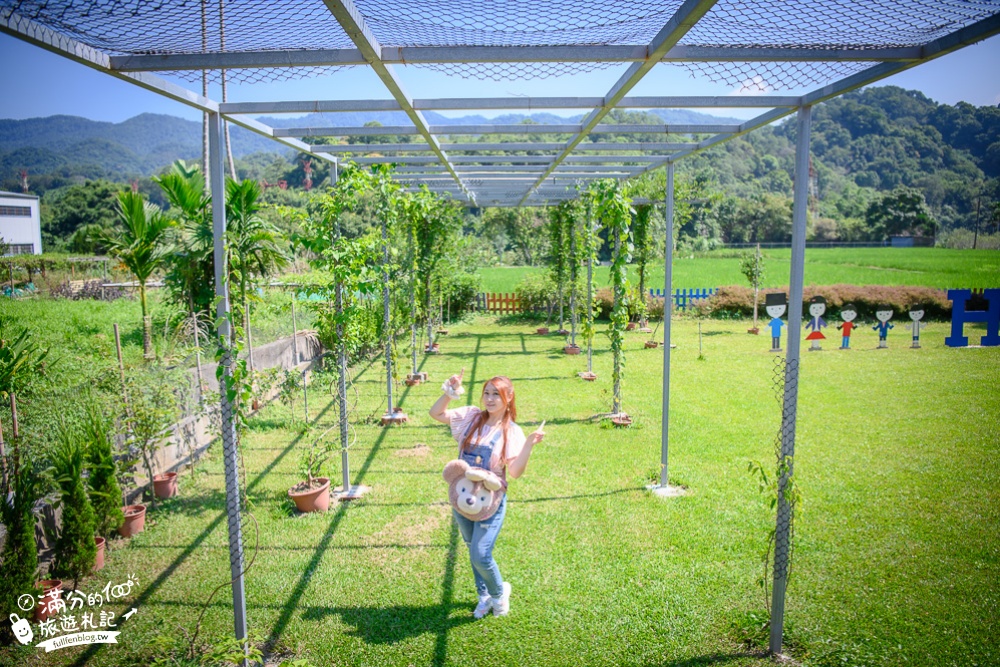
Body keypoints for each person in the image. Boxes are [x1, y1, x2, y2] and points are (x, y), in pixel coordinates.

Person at [429, 369, 545, 619]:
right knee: (472, 548)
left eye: (497, 394)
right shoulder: (471, 417)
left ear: (509, 398)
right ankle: (483, 596)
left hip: (490, 500)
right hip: (462, 497)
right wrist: (449, 392)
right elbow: (436, 413)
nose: (490, 399)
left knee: (481, 553)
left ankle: (499, 593)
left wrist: (528, 446)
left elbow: (514, 472)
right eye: (487, 393)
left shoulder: (511, 431)